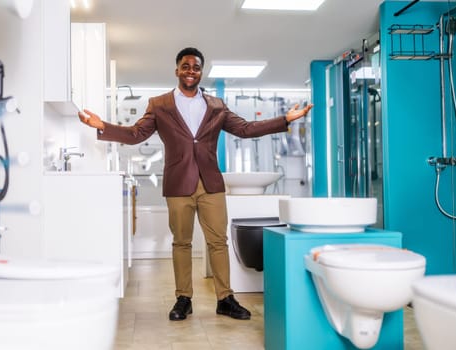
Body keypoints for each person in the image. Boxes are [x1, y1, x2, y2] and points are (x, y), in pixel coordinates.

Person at [78, 47, 313, 321]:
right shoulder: (160, 104)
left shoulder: (216, 106)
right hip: (179, 183)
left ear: (201, 72)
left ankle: (225, 299)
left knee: (218, 242)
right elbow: (135, 134)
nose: (191, 71)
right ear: (177, 70)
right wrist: (102, 125)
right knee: (181, 242)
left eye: (196, 67)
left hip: (210, 183)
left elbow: (246, 129)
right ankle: (183, 299)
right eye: (186, 66)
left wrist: (284, 119)